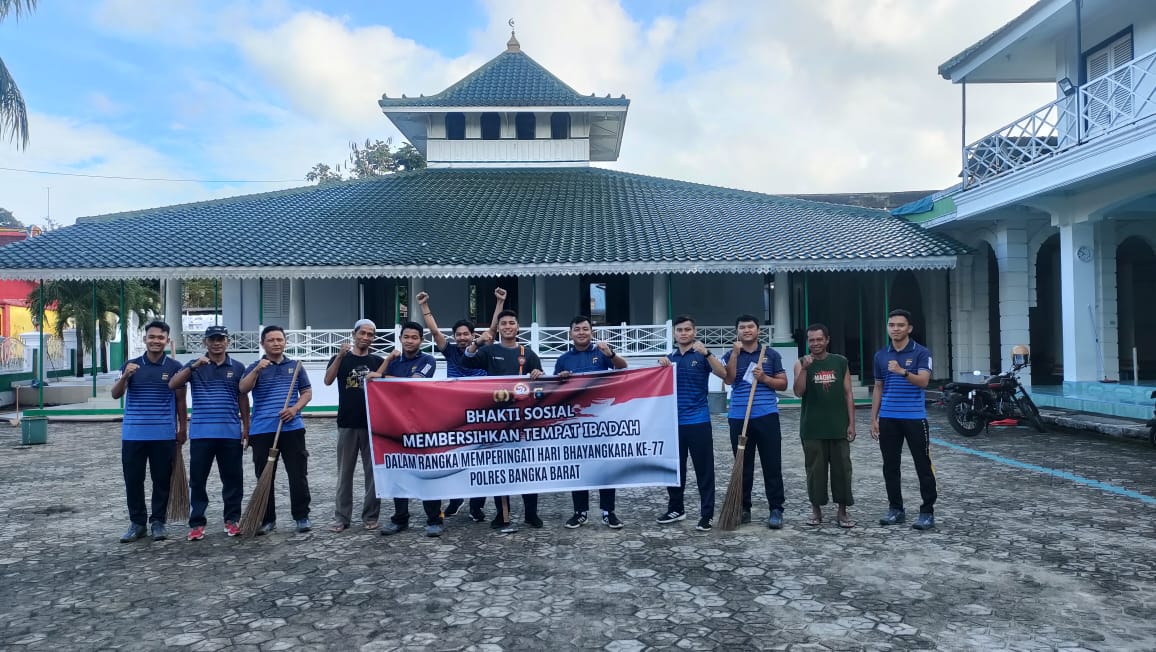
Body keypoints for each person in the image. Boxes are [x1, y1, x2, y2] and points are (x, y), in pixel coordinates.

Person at [415, 287, 505, 522]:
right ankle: (455, 499)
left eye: (466, 334)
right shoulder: (450, 352)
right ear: (455, 336)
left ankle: (476, 506)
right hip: (455, 414)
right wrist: (424, 306)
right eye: (459, 334)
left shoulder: (483, 350)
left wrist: (499, 302)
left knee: (480, 462)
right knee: (456, 459)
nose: (463, 338)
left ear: (473, 335)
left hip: (481, 414)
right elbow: (434, 332)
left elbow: (494, 329)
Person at [460, 308, 545, 533]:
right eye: (503, 323)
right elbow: (465, 362)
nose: (507, 326)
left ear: (518, 327)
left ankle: (531, 513)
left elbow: (541, 384)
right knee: (500, 466)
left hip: (523, 420)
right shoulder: (489, 351)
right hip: (496, 419)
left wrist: (538, 375)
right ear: (498, 328)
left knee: (527, 467)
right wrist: (476, 343)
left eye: (511, 323)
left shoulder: (528, 353)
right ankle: (502, 514)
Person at [168, 325, 250, 541]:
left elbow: (243, 397)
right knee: (197, 480)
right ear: (205, 342)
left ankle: (232, 520)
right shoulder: (194, 366)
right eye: (212, 339)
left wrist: (246, 428)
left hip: (230, 432)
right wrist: (193, 367)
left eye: (221, 338)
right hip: (201, 433)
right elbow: (173, 384)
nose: (217, 343)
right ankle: (197, 523)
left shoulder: (239, 367)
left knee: (233, 479)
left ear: (228, 341)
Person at [111, 320, 187, 543]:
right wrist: (125, 376)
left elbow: (181, 401)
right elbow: (116, 395)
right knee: (133, 480)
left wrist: (183, 429)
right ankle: (137, 523)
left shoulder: (175, 367)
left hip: (163, 434)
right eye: (152, 337)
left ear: (167, 341)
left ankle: (158, 522)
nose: (156, 341)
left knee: (161, 480)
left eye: (160, 338)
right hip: (133, 434)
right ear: (145, 339)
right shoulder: (131, 364)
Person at [554, 315, 629, 529]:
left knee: (605, 467)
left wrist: (611, 354)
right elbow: (554, 389)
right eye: (577, 329)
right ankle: (580, 512)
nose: (581, 332)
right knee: (579, 467)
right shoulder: (563, 359)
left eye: (585, 329)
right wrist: (562, 378)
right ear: (571, 333)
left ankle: (608, 512)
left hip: (602, 420)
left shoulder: (602, 354)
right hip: (576, 423)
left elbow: (623, 369)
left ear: (591, 332)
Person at [238, 325, 314, 535]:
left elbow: (307, 392)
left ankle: (301, 516)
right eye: (271, 340)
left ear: (285, 342)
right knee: (264, 475)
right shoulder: (255, 366)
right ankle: (267, 519)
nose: (276, 343)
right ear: (263, 344)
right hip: (262, 430)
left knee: (298, 474)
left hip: (292, 429)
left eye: (280, 339)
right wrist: (257, 370)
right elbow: (243, 389)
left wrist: (295, 408)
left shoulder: (296, 366)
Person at [373, 321, 446, 537]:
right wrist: (386, 363)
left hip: (422, 424)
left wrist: (383, 377)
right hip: (395, 423)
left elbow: (412, 383)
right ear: (400, 338)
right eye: (406, 337)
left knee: (426, 471)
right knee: (398, 470)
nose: (410, 341)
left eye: (414, 337)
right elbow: (373, 381)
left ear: (421, 340)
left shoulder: (427, 360)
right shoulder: (393, 362)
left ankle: (435, 519)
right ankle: (400, 519)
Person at [655, 315, 727, 531]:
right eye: (680, 330)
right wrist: (660, 366)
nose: (684, 333)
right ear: (674, 333)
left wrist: (707, 352)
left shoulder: (702, 356)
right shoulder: (669, 359)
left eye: (688, 329)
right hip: (673, 422)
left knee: (704, 470)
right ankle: (676, 508)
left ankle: (707, 514)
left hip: (698, 420)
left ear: (694, 332)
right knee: (675, 468)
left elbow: (723, 374)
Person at [870, 308, 936, 530]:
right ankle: (895, 508)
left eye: (900, 325)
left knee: (922, 465)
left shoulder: (921, 353)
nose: (895, 329)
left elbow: (924, 382)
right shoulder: (881, 355)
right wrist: (874, 418)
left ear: (909, 328)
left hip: (914, 418)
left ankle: (927, 511)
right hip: (888, 417)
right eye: (891, 325)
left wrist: (902, 371)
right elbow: (878, 387)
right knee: (890, 465)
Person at [721, 314, 788, 529]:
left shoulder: (771, 354)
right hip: (739, 417)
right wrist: (734, 354)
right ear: (737, 331)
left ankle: (776, 509)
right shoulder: (730, 354)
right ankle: (743, 508)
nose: (747, 330)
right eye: (742, 327)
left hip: (767, 416)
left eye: (751, 326)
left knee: (772, 464)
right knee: (743, 465)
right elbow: (729, 379)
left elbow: (783, 384)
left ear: (758, 330)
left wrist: (765, 379)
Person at [793, 323, 856, 528]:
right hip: (812, 427)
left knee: (842, 470)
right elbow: (798, 391)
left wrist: (851, 423)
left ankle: (842, 511)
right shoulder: (801, 362)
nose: (815, 343)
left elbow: (848, 393)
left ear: (827, 340)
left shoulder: (840, 362)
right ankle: (816, 510)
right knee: (815, 471)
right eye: (811, 340)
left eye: (819, 339)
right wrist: (804, 369)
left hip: (838, 426)